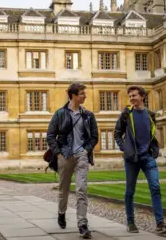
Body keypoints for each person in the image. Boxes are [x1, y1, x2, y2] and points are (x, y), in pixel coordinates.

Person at [114, 86, 166, 235]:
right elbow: (117, 134)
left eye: (134, 95)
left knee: (155, 187)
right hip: (132, 159)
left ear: (142, 97)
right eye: (130, 96)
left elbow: (151, 134)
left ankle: (160, 224)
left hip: (147, 158)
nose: (131, 98)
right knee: (130, 191)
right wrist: (125, 148)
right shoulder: (126, 114)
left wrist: (154, 149)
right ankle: (130, 222)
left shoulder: (150, 115)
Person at [47, 82, 99, 239]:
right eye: (82, 93)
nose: (85, 96)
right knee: (63, 190)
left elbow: (94, 136)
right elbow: (50, 135)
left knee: (82, 190)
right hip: (65, 156)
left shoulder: (88, 115)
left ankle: (82, 224)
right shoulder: (60, 114)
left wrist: (86, 150)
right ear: (74, 95)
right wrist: (58, 153)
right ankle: (61, 213)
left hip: (82, 156)